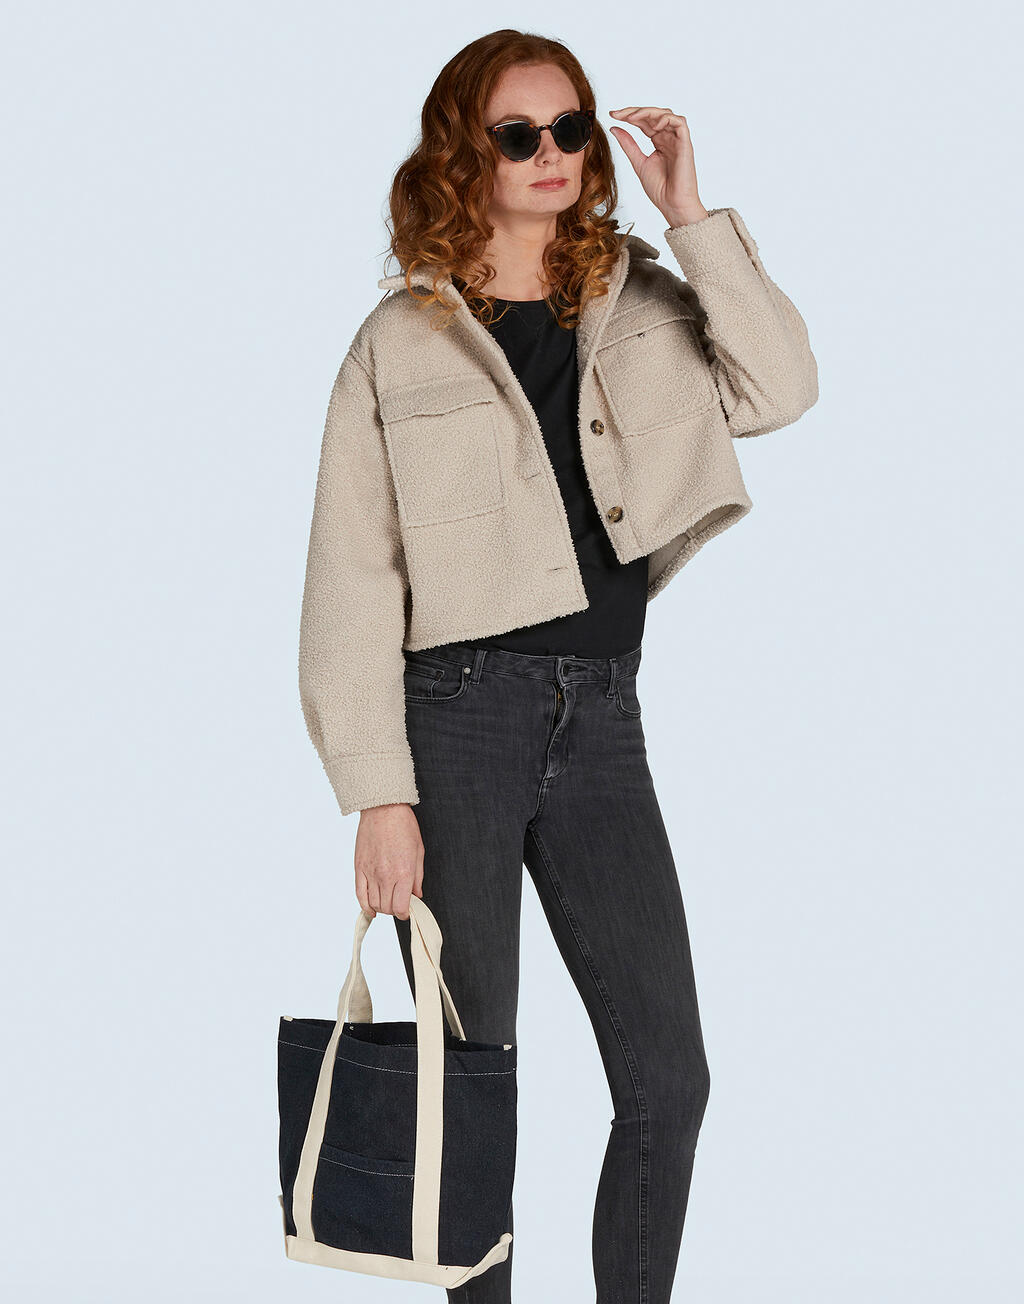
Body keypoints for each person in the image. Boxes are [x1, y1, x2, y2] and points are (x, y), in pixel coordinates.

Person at [298, 28, 818, 1304]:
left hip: (603, 723)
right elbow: (351, 578)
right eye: (518, 134)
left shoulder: (642, 298)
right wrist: (377, 791)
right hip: (454, 722)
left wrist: (689, 213)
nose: (553, 154)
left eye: (571, 128)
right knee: (471, 1083)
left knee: (667, 1077)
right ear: (461, 154)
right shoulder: (396, 342)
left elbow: (782, 387)